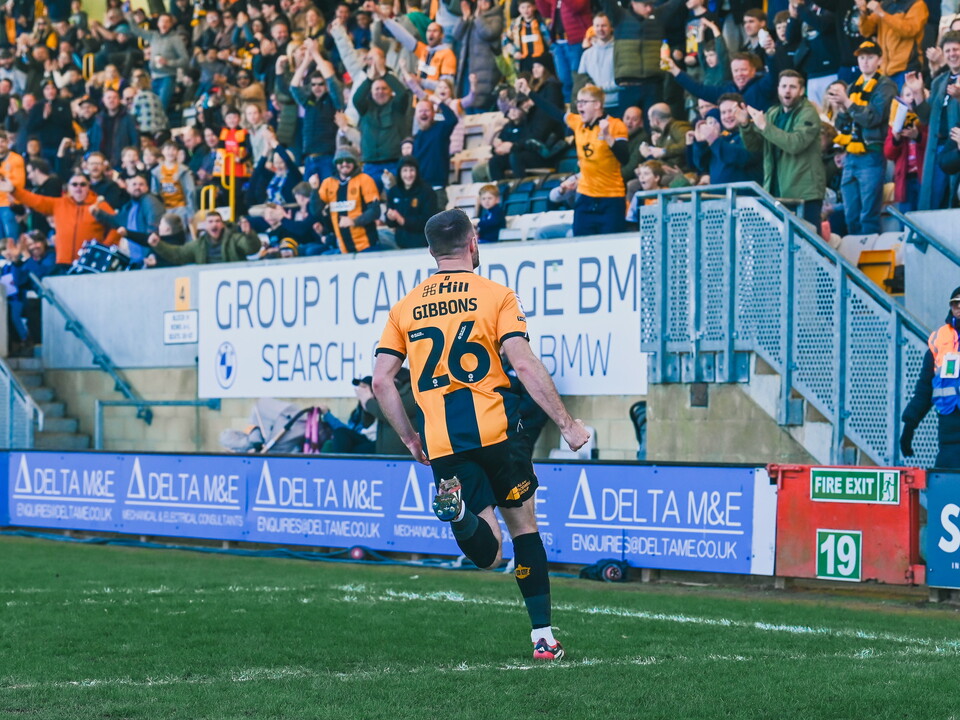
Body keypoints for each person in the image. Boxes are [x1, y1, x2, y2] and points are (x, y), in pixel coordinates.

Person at [372, 208, 590, 662]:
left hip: (444, 442)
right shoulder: (496, 295)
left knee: (488, 554)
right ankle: (543, 638)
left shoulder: (405, 307)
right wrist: (568, 425)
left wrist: (413, 440)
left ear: (431, 251)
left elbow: (381, 381)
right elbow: (525, 363)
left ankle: (458, 518)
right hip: (497, 430)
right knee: (524, 526)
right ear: (472, 243)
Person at [825, 40, 896, 234]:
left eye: (870, 57)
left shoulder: (885, 86)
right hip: (851, 156)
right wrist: (839, 108)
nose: (865, 62)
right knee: (851, 214)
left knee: (868, 215)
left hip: (871, 154)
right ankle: (855, 260)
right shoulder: (853, 87)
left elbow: (873, 118)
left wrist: (847, 103)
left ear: (880, 60)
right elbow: (841, 125)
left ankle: (868, 257)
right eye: (861, 57)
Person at [740, 69, 825, 227]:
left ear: (801, 90)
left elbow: (795, 144)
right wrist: (745, 125)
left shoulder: (808, 113)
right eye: (783, 86)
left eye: (792, 87)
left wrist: (765, 126)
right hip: (776, 194)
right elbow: (755, 146)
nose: (787, 90)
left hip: (804, 194)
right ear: (778, 89)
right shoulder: (773, 112)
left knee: (809, 244)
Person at [0, 172, 120, 271]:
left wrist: (105, 247)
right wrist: (14, 190)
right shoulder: (59, 204)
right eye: (74, 184)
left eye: (82, 184)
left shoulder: (99, 205)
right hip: (63, 262)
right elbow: (35, 200)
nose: (78, 187)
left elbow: (117, 225)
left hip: (90, 263)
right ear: (68, 187)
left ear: (88, 187)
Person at [901, 286, 960, 467]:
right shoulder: (941, 341)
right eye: (955, 304)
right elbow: (925, 388)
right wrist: (909, 425)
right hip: (950, 433)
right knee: (947, 486)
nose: (959, 308)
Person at [147, 211, 261, 265]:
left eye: (217, 221)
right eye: (210, 221)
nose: (214, 224)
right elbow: (178, 254)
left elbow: (251, 248)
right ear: (205, 226)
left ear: (222, 224)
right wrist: (159, 244)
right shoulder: (198, 244)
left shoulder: (235, 239)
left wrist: (249, 235)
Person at [385, 156, 436, 249]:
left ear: (417, 171)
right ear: (400, 172)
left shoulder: (427, 192)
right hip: (400, 245)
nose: (408, 175)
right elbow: (390, 223)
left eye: (411, 170)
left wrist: (402, 220)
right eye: (405, 170)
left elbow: (428, 221)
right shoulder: (393, 192)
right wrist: (390, 217)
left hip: (423, 246)